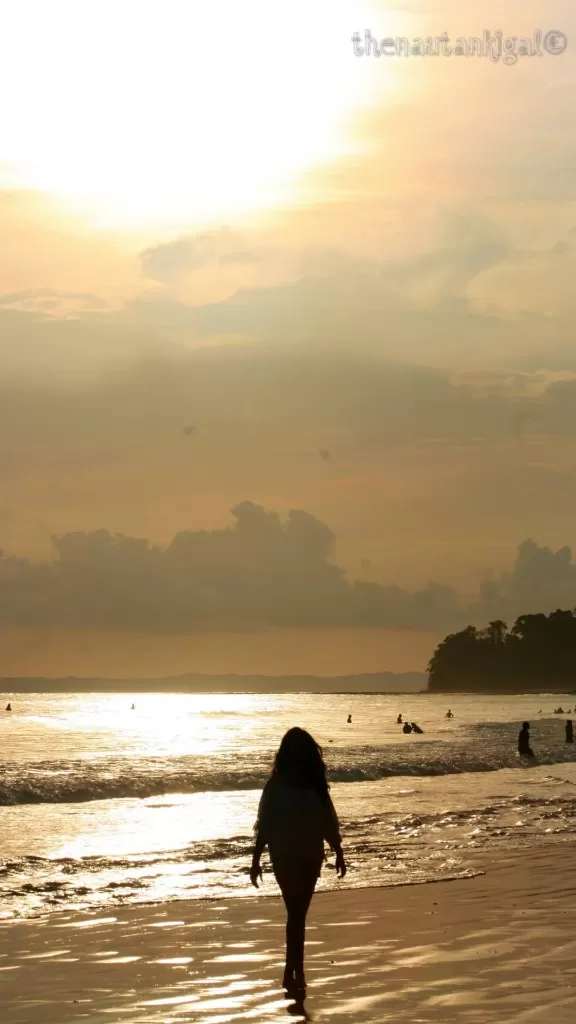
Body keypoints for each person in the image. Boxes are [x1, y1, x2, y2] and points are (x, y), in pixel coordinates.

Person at [250, 727, 346, 997]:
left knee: (297, 914)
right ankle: (294, 971)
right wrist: (256, 859)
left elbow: (328, 822)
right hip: (288, 855)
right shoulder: (281, 784)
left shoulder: (305, 784)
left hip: (306, 855)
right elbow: (264, 825)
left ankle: (293, 970)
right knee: (296, 913)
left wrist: (338, 852)